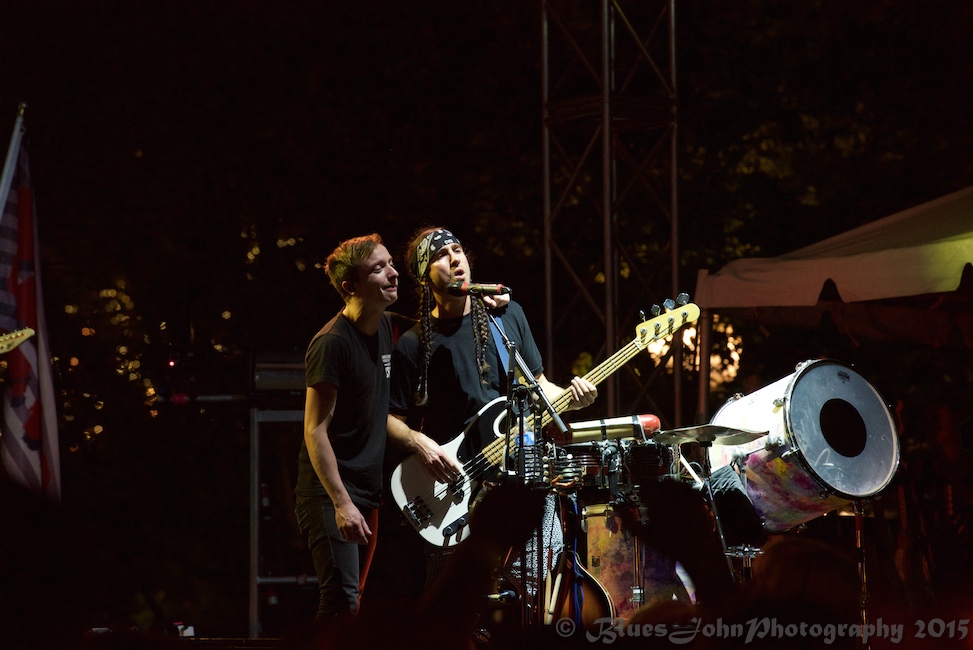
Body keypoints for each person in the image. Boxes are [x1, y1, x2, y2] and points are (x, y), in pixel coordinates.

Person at [387, 226, 598, 605]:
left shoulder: (505, 318)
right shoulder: (413, 344)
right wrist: (421, 444)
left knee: (529, 590)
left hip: (518, 476)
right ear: (424, 276)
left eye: (458, 249)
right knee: (451, 598)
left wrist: (572, 398)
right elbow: (390, 419)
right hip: (452, 487)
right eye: (441, 255)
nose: (455, 259)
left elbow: (540, 386)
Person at [294, 233, 413, 620]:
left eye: (391, 263)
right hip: (330, 494)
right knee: (341, 599)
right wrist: (341, 503)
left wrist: (492, 303)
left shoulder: (387, 326)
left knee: (355, 602)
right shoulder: (331, 344)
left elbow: (443, 321)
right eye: (378, 269)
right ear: (351, 287)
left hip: (367, 491)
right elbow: (315, 431)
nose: (393, 273)